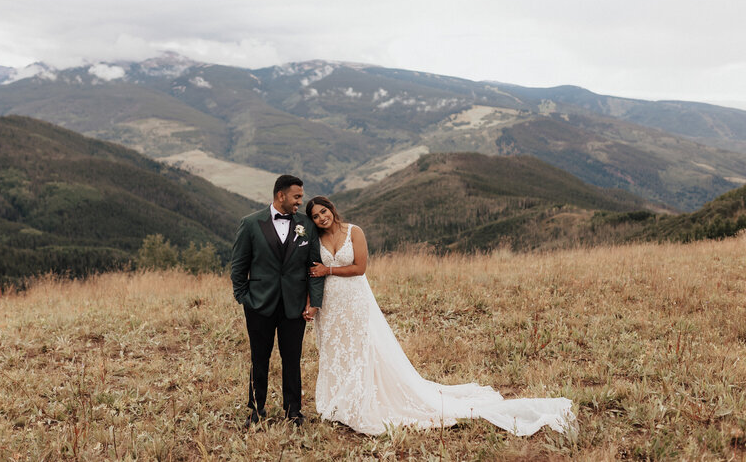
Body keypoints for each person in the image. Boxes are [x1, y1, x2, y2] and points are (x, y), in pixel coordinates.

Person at [305, 195, 576, 436]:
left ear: (332, 209)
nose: (321, 218)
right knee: (338, 350)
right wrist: (312, 303)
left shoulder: (354, 231)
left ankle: (364, 399)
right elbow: (310, 273)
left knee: (364, 348)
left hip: (355, 299)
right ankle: (341, 399)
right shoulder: (316, 239)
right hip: (331, 304)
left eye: (323, 212)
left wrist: (327, 271)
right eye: (315, 216)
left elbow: (360, 267)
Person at [231, 175, 325, 428]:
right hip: (259, 304)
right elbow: (238, 267)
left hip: (294, 305)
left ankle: (293, 412)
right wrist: (245, 298)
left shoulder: (306, 225)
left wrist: (314, 302)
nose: (300, 202)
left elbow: (314, 266)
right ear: (280, 195)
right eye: (296, 197)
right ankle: (256, 410)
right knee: (258, 358)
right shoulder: (250, 224)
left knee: (292, 359)